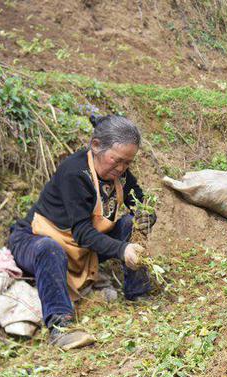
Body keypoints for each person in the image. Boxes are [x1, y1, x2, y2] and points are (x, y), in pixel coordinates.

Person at [8, 115, 157, 349]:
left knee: (130, 224)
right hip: (35, 240)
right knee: (49, 249)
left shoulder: (121, 173)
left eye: (127, 163)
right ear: (96, 146)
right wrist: (121, 249)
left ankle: (138, 293)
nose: (121, 168)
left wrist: (146, 215)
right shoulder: (74, 173)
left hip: (79, 249)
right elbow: (83, 233)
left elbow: (139, 202)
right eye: (116, 161)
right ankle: (60, 327)